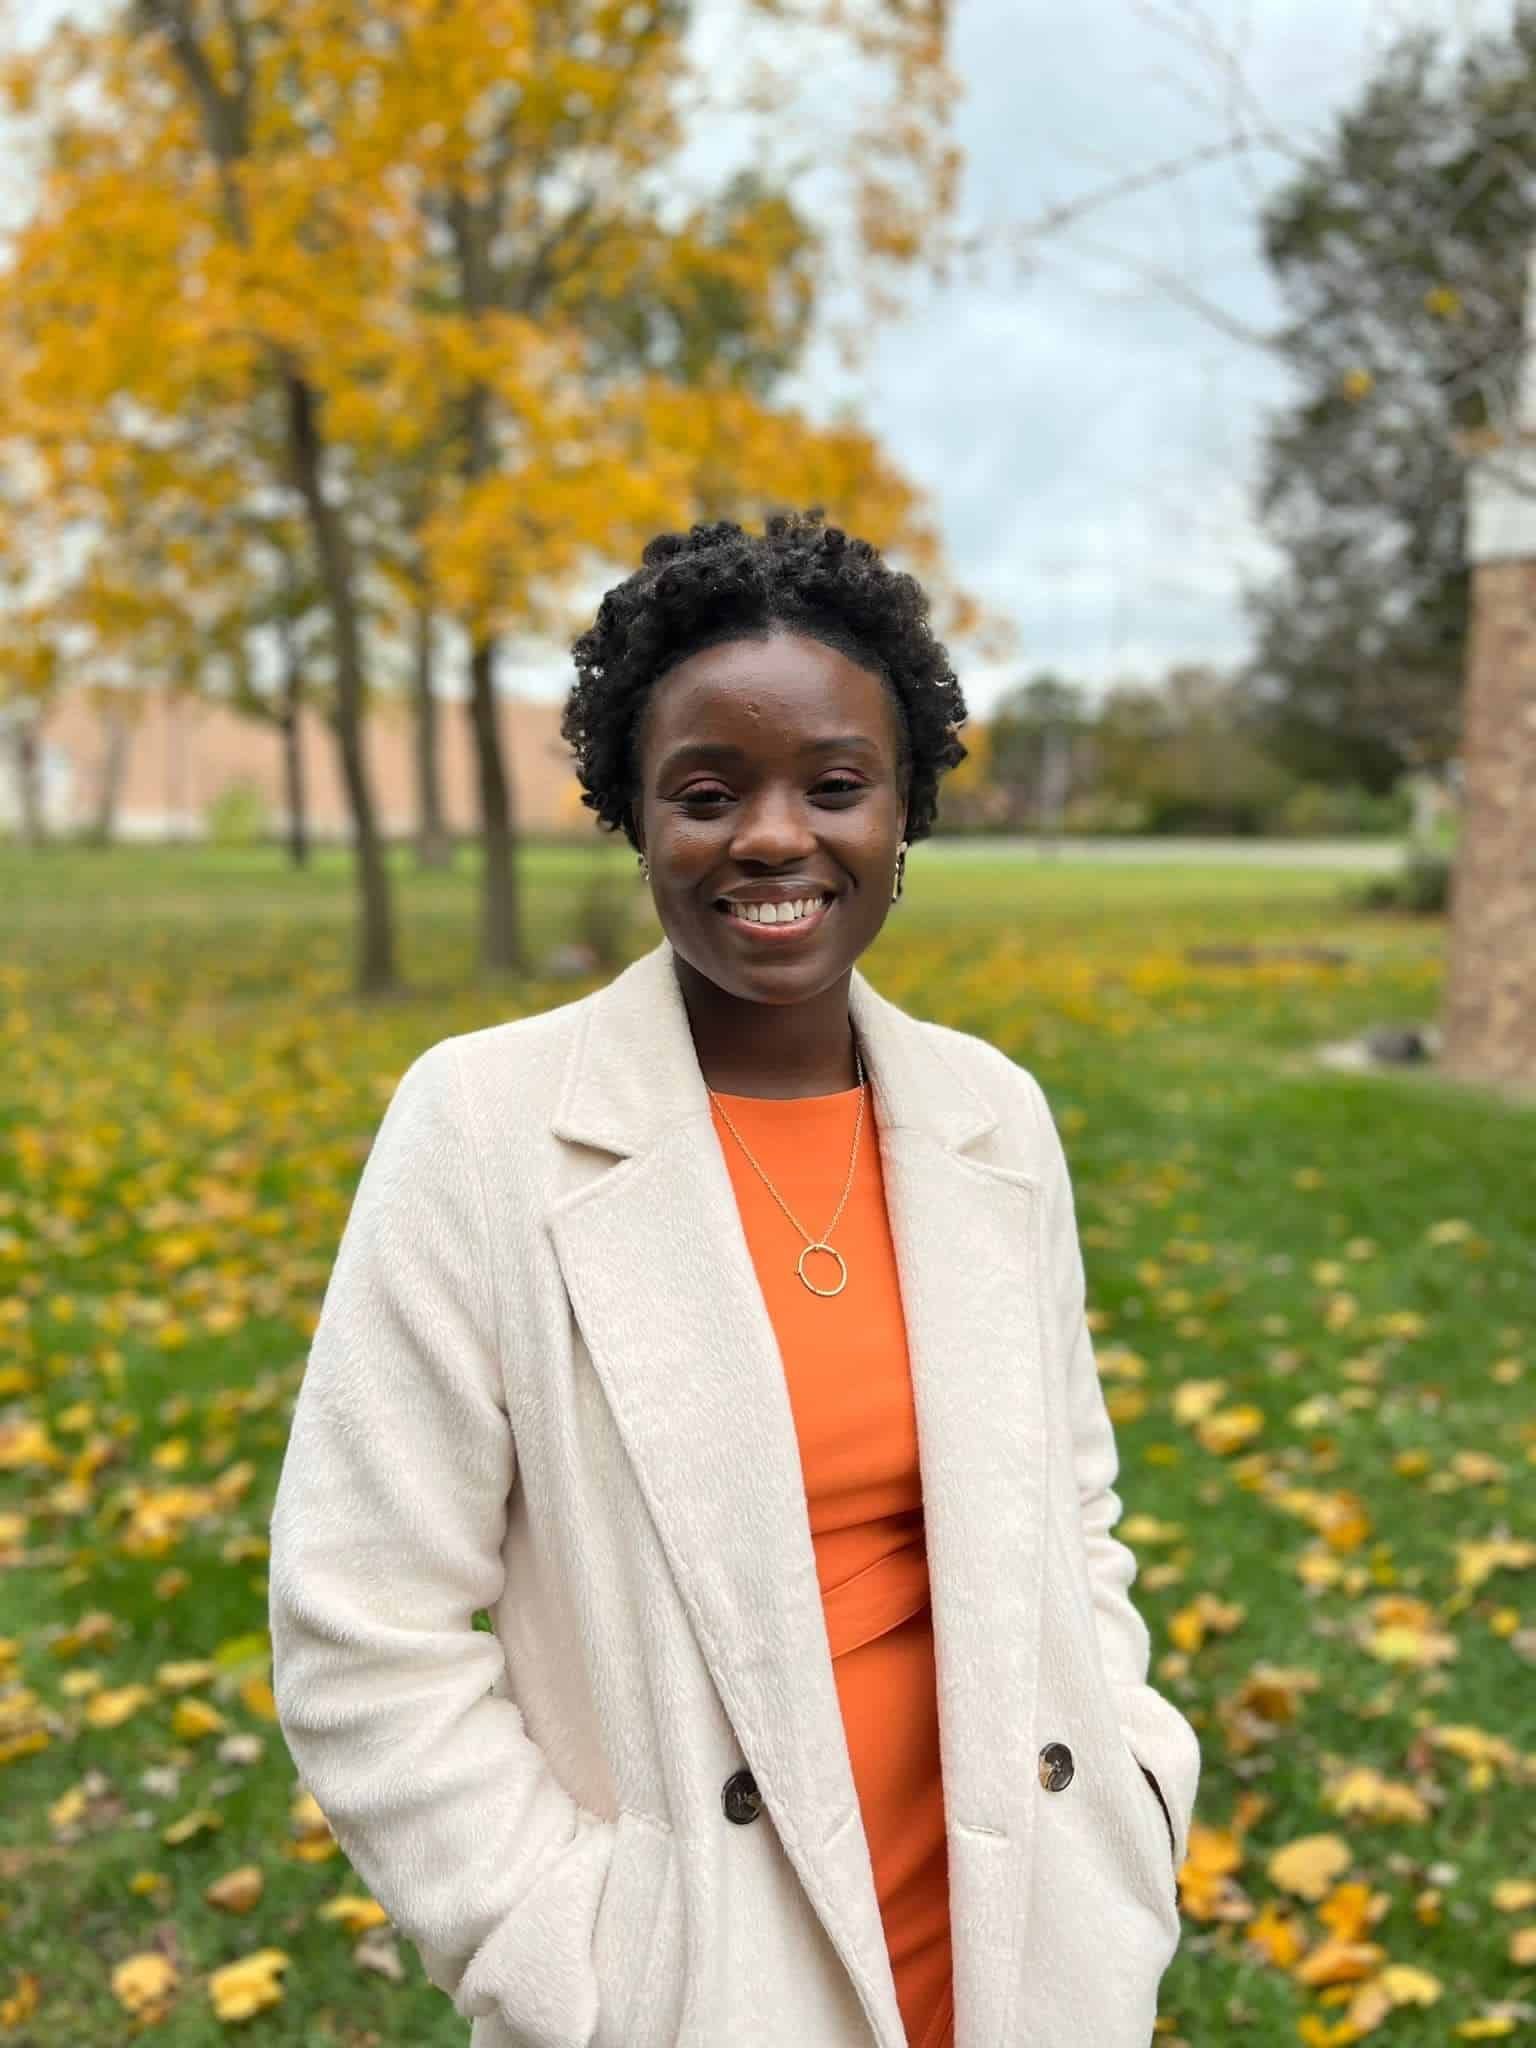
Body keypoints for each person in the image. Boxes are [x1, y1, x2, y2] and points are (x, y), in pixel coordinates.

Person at [267, 509, 1200, 2048]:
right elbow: (361, 1620)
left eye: (835, 785)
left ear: (906, 812)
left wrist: (1135, 1796)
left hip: (1027, 1942)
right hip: (694, 1979)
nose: (775, 836)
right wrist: (580, 1956)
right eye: (708, 793)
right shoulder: (485, 1130)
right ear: (636, 820)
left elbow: (1074, 1511)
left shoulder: (994, 1120)